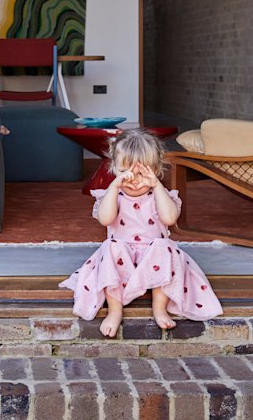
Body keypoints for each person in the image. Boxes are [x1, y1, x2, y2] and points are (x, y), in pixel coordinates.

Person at [59, 127, 222, 337]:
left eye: (142, 174)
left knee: (164, 246)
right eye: (127, 173)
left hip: (154, 257)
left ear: (156, 170)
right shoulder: (111, 196)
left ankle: (159, 307)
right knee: (110, 247)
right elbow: (105, 219)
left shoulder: (160, 195)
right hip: (121, 256)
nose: (134, 181)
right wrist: (115, 187)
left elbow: (170, 218)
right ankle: (115, 309)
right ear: (115, 169)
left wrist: (157, 186)